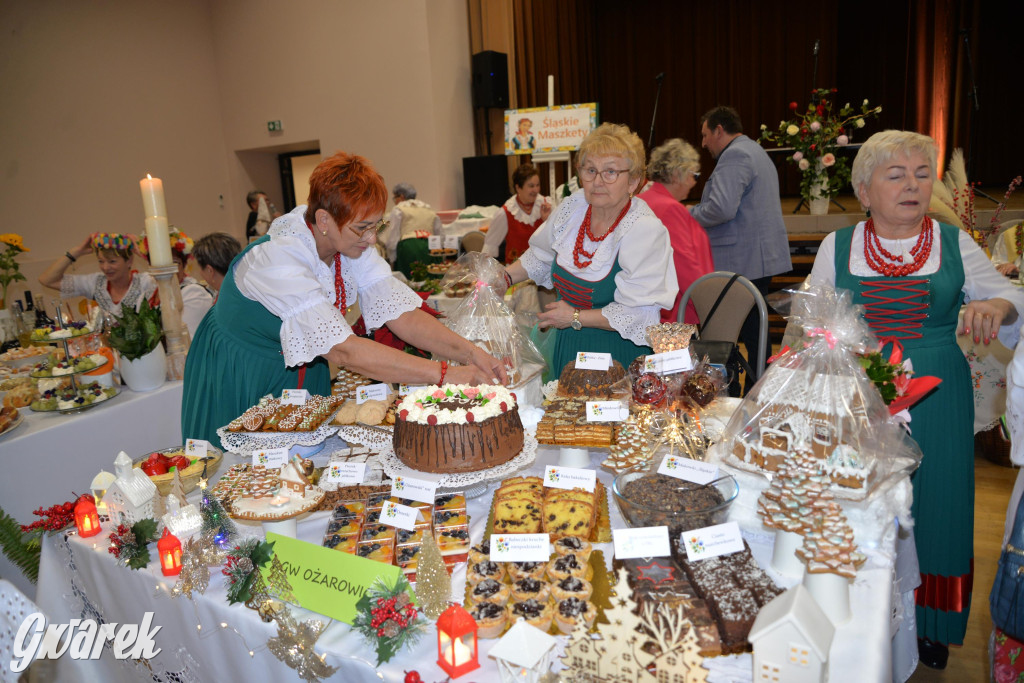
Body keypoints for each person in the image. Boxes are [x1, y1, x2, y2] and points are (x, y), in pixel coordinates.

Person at [806, 130, 1024, 670]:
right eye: (895, 175)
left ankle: (932, 626)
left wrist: (997, 302)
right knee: (858, 499)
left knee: (939, 503)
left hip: (936, 394)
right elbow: (810, 322)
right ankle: (856, 611)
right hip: (859, 390)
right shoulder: (838, 245)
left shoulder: (955, 244)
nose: (913, 185)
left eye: (922, 174)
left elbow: (1015, 299)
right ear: (864, 190)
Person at [182, 152, 506, 448]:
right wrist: (445, 374)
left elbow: (402, 315)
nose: (370, 239)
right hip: (242, 368)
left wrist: (472, 353)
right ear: (323, 220)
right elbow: (344, 350)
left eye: (376, 226)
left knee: (304, 474)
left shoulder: (347, 242)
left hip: (300, 371)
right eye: (362, 228)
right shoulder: (278, 257)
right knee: (242, 484)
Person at [503, 123, 678, 371]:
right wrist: (505, 277)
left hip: (617, 356)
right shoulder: (572, 209)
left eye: (610, 172)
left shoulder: (644, 230)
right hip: (568, 349)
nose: (597, 182)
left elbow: (639, 313)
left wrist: (574, 317)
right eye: (590, 170)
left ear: (633, 181)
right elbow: (540, 257)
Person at [691, 106, 791, 386]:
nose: (703, 143)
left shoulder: (734, 155)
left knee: (746, 330)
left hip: (742, 259)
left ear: (719, 130)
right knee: (754, 330)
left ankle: (752, 388)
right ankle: (756, 387)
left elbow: (720, 209)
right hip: (754, 257)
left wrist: (687, 214)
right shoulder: (755, 150)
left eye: (705, 135)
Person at [638, 139, 714, 324]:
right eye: (693, 175)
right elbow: (684, 266)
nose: (694, 182)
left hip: (647, 307)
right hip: (674, 314)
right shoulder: (670, 209)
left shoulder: (642, 200)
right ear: (676, 174)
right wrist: (710, 305)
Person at [38, 232, 157, 318]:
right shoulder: (96, 282)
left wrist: (144, 255)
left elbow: (172, 284)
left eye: (112, 261)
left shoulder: (146, 281)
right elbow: (47, 280)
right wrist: (76, 252)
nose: (105, 267)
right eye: (101, 261)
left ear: (129, 261)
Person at [138, 227, 214, 339]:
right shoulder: (146, 296)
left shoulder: (194, 293)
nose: (168, 270)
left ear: (184, 265)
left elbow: (187, 337)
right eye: (159, 264)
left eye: (175, 263)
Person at [483, 163, 552, 265]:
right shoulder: (506, 213)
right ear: (518, 188)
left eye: (538, 185)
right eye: (531, 186)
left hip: (543, 270)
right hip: (517, 275)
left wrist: (547, 220)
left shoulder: (547, 205)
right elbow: (489, 247)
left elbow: (556, 240)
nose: (536, 190)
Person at [383, 182, 442, 278]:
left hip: (409, 246)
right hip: (431, 246)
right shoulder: (428, 209)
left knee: (411, 281)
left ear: (401, 196)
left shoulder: (399, 210)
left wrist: (392, 257)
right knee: (431, 280)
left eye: (395, 198)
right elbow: (439, 233)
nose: (395, 201)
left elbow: (393, 236)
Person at [192, 232, 242, 297]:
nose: (200, 273)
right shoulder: (243, 290)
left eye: (200, 268)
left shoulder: (227, 298)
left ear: (209, 270)